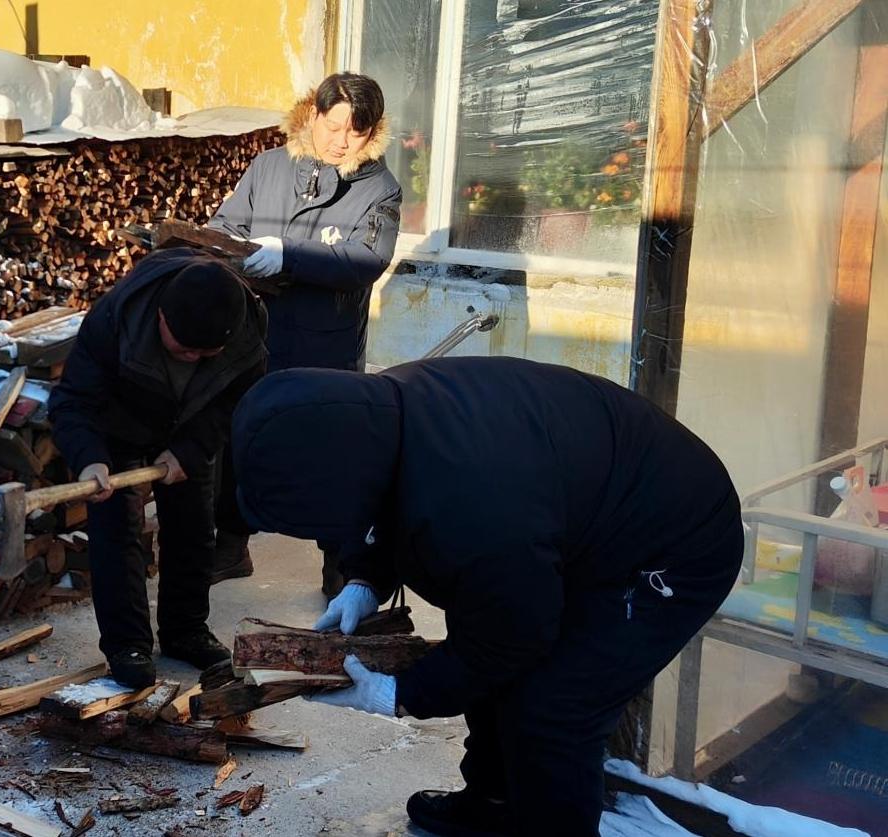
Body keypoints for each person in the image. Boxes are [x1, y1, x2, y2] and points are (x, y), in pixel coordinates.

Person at [230, 357, 743, 836]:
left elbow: (512, 635)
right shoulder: (374, 418)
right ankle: (493, 804)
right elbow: (380, 504)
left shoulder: (473, 503)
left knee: (553, 709)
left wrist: (402, 694)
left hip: (674, 542)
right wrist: (364, 579)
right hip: (577, 516)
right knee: (491, 655)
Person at [208, 71, 403, 589]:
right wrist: (227, 248)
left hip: (326, 342)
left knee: (333, 451)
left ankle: (340, 563)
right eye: (332, 126)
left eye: (355, 133)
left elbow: (368, 258)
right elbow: (228, 224)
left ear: (372, 132)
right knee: (239, 437)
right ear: (313, 115)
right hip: (254, 334)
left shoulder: (379, 189)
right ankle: (230, 545)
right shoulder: (269, 166)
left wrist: (289, 255)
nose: (340, 142)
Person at [48, 249, 267, 688]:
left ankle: (186, 630)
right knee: (117, 530)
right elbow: (72, 400)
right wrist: (89, 456)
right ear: (162, 317)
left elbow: (237, 402)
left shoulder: (247, 327)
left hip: (191, 426)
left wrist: (192, 448)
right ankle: (127, 644)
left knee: (194, 528)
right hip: (119, 425)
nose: (193, 358)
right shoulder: (115, 318)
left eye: (207, 352)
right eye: (184, 348)